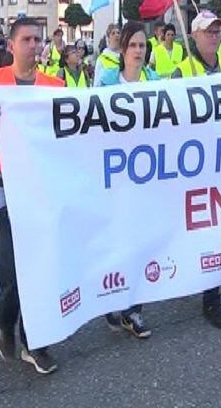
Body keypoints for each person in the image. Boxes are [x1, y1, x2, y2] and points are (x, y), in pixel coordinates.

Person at [0, 18, 63, 374]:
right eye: (27, 39)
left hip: (44, 188)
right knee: (11, 266)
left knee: (42, 264)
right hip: (4, 187)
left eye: (38, 39)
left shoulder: (55, 86)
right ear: (11, 44)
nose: (34, 45)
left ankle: (36, 343)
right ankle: (5, 321)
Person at [95, 21, 159, 337]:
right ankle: (111, 299)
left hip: (147, 178)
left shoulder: (158, 83)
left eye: (143, 46)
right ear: (123, 50)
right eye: (133, 45)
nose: (138, 51)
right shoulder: (106, 84)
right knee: (116, 241)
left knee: (139, 242)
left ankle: (134, 310)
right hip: (116, 178)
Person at [170, 10, 221, 329]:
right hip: (191, 167)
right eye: (208, 31)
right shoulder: (183, 72)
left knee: (216, 230)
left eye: (218, 31)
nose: (214, 36)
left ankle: (213, 297)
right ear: (193, 36)